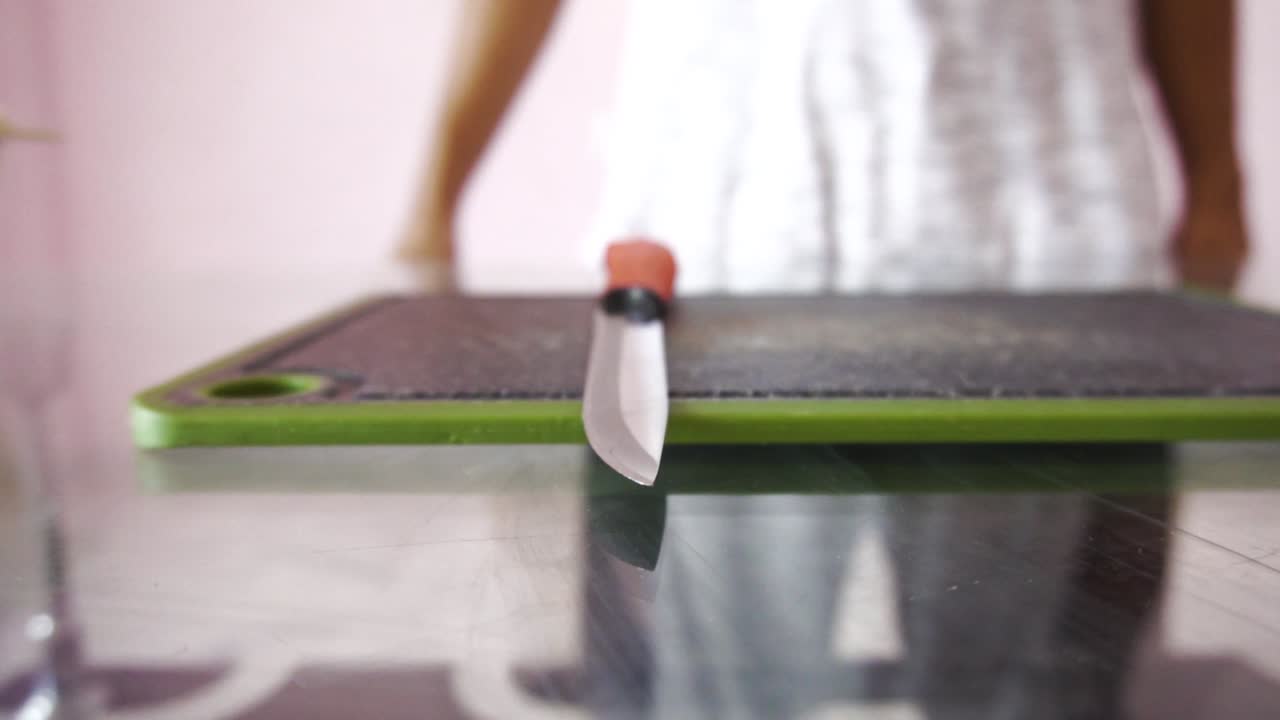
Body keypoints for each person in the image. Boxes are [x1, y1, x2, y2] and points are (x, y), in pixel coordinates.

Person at [400, 0, 1246, 294]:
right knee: (713, 687)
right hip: (720, 229)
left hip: (1050, 224)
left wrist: (1217, 175)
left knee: (1041, 687)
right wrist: (435, 197)